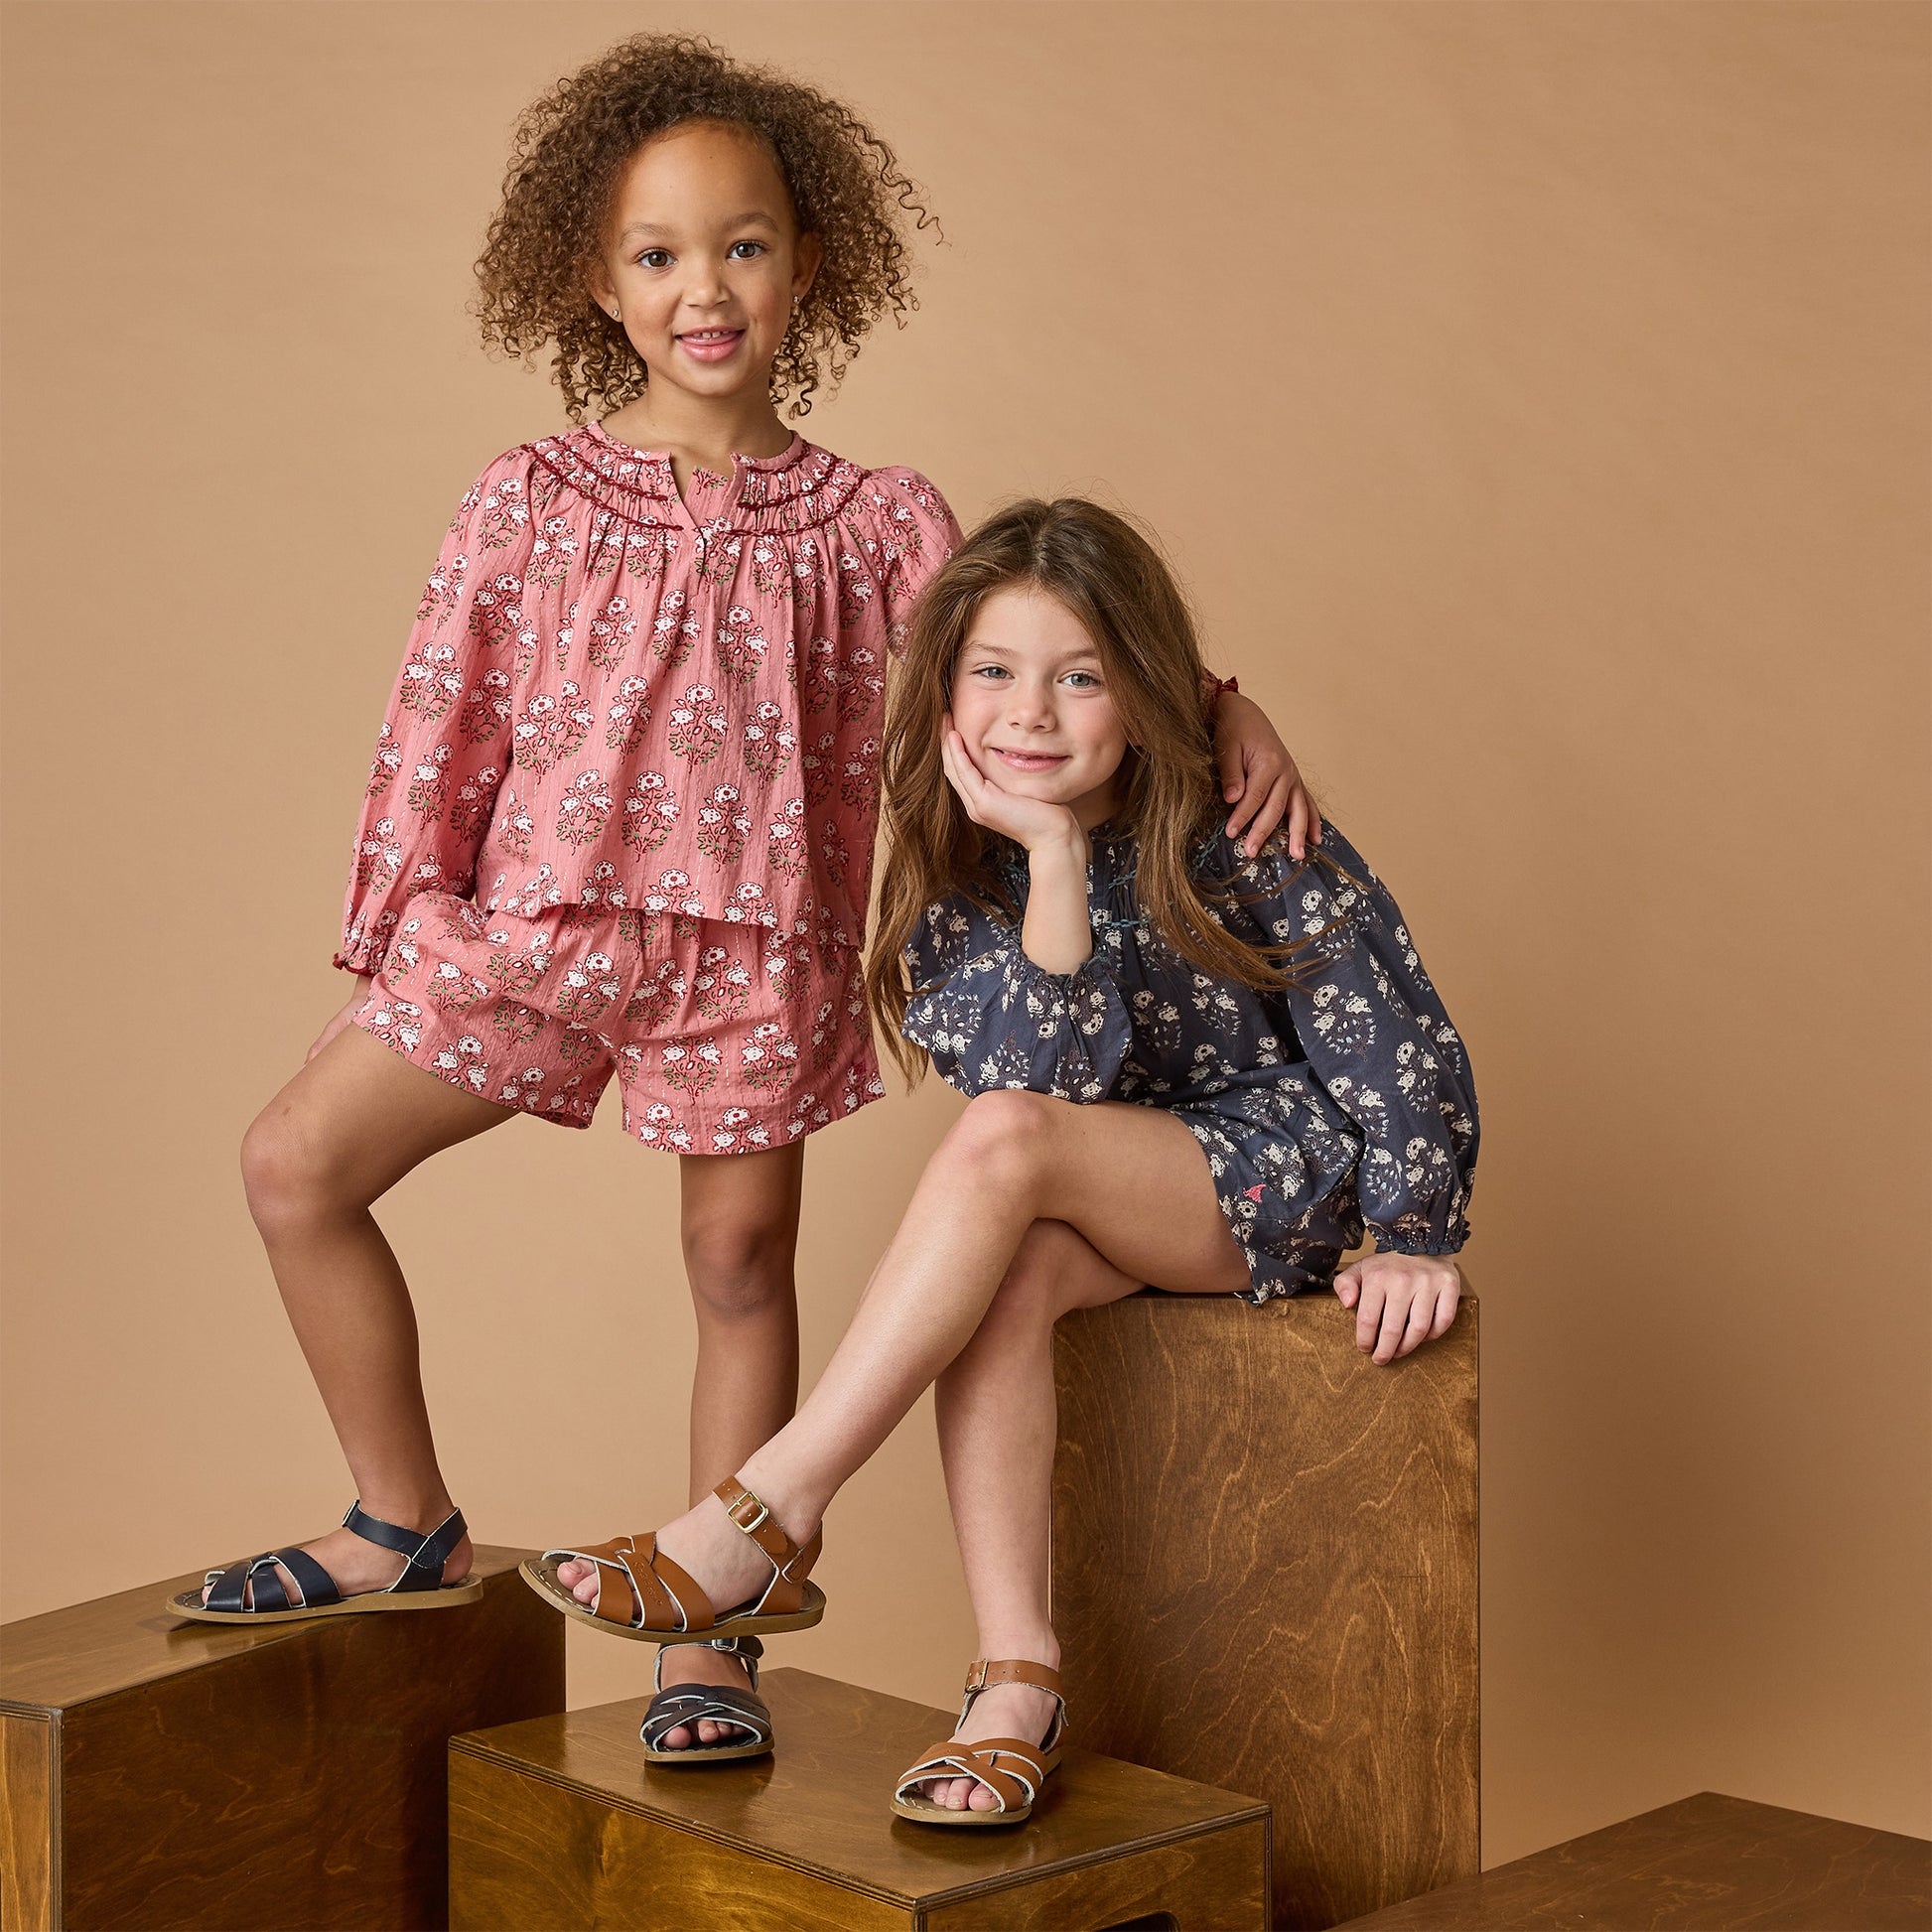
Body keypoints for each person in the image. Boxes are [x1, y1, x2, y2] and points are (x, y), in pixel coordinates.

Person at [173, 40, 1312, 1765]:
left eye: (744, 246)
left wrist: (1219, 702)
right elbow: (440, 712)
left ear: (809, 262)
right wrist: (407, 911)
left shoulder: (875, 521)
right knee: (294, 1163)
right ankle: (395, 1517)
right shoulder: (526, 495)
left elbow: (1024, 658)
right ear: (594, 280)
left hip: (752, 952)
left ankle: (711, 1640)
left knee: (734, 1264)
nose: (704, 288)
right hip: (539, 929)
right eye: (657, 255)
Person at [525, 496, 1477, 1819]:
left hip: (1280, 1170)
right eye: (994, 673)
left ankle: (769, 1510)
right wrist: (1046, 854)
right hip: (1100, 1184)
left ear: (1142, 701)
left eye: (1079, 678)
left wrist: (1416, 1223)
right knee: (1008, 1270)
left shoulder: (1241, 822)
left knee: (1003, 1142)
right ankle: (1015, 1682)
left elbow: (1383, 1019)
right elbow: (1054, 1081)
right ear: (947, 699)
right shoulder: (964, 877)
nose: (1030, 712)